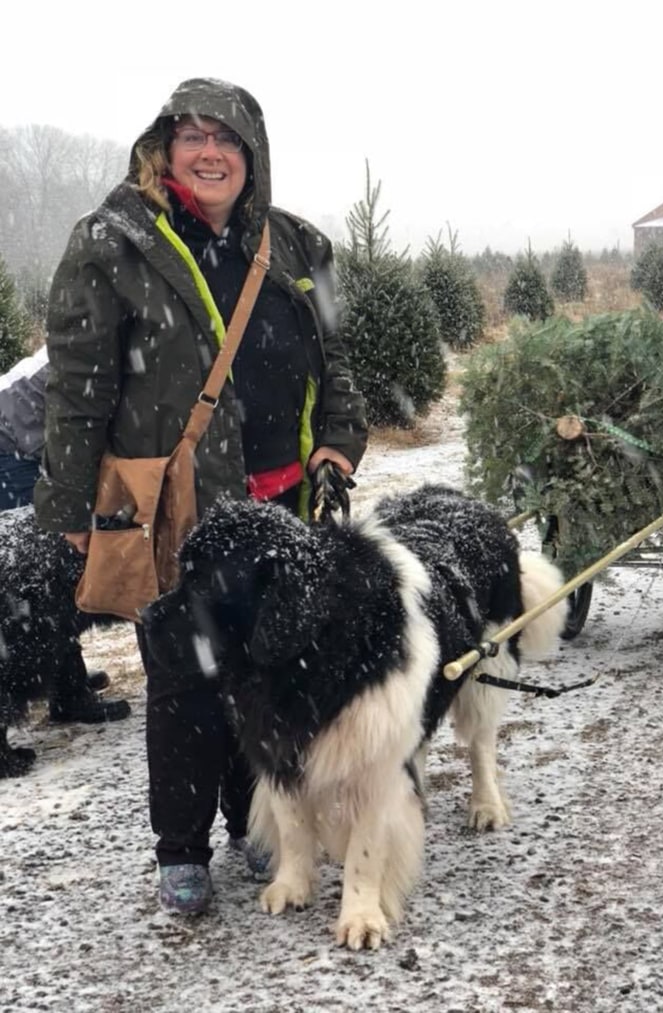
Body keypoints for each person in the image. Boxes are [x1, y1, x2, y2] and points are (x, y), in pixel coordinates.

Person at [34, 78, 368, 916]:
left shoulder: (302, 247)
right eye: (193, 137)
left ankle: (253, 820)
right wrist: (68, 508)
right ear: (164, 148)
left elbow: (340, 355)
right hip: (178, 513)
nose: (210, 152)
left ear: (252, 157)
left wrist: (342, 434)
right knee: (185, 674)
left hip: (287, 504)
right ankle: (180, 846)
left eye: (228, 138)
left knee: (270, 665)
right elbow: (77, 391)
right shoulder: (111, 245)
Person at [0, 347, 130, 724]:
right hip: (10, 448)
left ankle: (65, 681)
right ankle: (68, 695)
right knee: (47, 576)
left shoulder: (88, 342)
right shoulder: (91, 354)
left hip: (20, 438)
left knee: (51, 577)